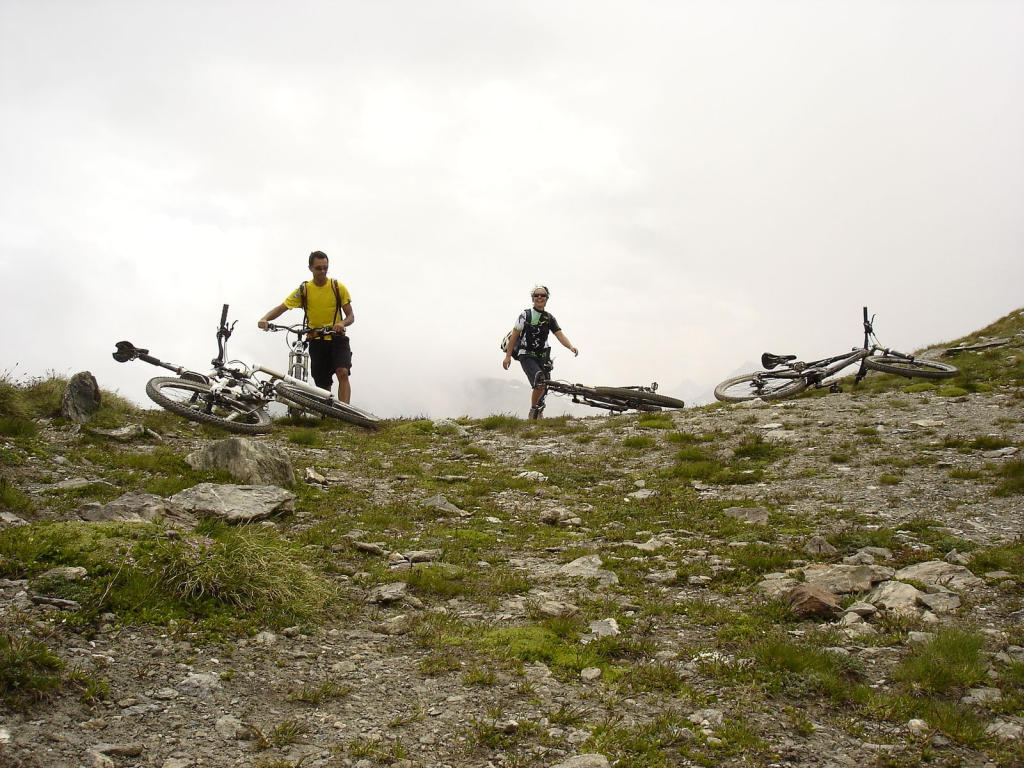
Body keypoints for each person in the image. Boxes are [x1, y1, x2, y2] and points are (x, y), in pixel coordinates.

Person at [258, 251, 355, 403]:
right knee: (323, 384)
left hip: (337, 338)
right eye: (318, 268)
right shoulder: (304, 290)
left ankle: (346, 413)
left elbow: (350, 316)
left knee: (342, 372)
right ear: (310, 268)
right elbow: (282, 307)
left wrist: (341, 323)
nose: (322, 271)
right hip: (316, 340)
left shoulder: (337, 287)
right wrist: (265, 319)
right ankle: (328, 415)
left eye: (325, 268)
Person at [502, 285, 578, 419]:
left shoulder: (549, 318)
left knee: (544, 385)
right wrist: (507, 357)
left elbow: (559, 334)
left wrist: (570, 347)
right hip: (526, 355)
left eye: (542, 295)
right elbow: (514, 336)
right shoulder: (525, 315)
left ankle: (537, 411)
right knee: (539, 379)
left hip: (543, 356)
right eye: (536, 295)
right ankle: (534, 412)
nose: (539, 297)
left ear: (547, 298)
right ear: (532, 298)